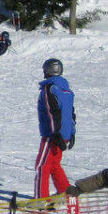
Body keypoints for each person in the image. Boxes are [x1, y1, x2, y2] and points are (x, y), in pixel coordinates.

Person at [35, 58, 75, 197]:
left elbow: (52, 112)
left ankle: (41, 198)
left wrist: (55, 133)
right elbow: (71, 113)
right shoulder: (67, 90)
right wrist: (71, 133)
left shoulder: (49, 88)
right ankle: (65, 192)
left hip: (51, 135)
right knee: (54, 165)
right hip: (63, 135)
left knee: (42, 166)